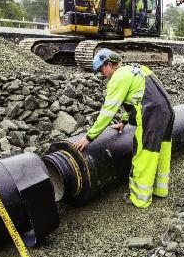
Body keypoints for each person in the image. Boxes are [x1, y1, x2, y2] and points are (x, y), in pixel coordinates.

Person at [73, 49, 175, 208]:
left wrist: (89, 137)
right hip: (167, 110)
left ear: (108, 64)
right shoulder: (136, 69)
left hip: (152, 114)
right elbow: (137, 98)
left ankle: (139, 199)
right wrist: (124, 122)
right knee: (162, 150)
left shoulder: (118, 78)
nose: (102, 74)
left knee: (144, 155)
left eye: (102, 70)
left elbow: (107, 113)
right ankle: (161, 190)